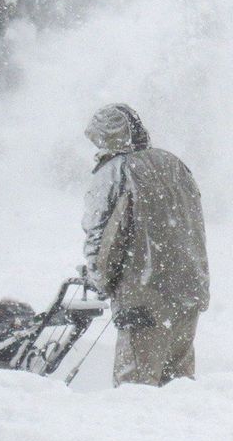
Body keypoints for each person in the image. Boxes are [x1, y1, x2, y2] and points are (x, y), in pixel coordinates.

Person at [81, 104, 209, 387]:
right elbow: (193, 227)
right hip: (187, 294)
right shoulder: (173, 164)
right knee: (179, 387)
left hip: (143, 299)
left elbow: (102, 238)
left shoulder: (114, 172)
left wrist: (99, 277)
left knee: (135, 392)